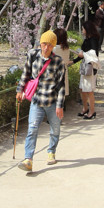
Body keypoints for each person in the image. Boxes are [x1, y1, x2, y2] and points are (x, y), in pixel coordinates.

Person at [17, 30, 67, 172]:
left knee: (55, 129)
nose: (46, 48)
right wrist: (20, 90)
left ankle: (51, 151)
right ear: (40, 43)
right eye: (44, 44)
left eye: (50, 45)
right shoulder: (33, 55)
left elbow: (61, 85)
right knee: (32, 129)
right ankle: (28, 159)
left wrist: (60, 105)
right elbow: (25, 73)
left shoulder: (58, 61)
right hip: (36, 100)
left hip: (52, 101)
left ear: (54, 47)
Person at [78, 37, 99, 119]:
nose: (82, 31)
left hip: (89, 68)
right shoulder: (86, 39)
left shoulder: (93, 40)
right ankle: (85, 108)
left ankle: (92, 111)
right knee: (82, 89)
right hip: (85, 67)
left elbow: (94, 56)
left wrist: (83, 55)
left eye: (83, 29)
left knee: (89, 91)